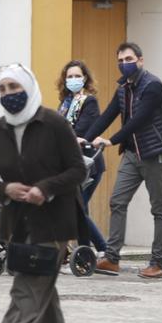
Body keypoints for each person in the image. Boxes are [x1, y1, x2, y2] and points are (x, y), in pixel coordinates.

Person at [0, 64, 87, 323]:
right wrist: (4, 189)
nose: (9, 94)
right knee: (43, 295)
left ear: (28, 87)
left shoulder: (53, 124)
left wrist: (46, 188)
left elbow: (78, 170)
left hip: (53, 225)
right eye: (3, 89)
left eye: (14, 87)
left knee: (27, 289)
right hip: (18, 225)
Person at [83, 42, 162, 279]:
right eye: (121, 60)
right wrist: (85, 138)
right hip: (133, 154)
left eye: (129, 59)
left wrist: (111, 140)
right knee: (117, 201)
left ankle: (157, 262)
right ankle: (112, 258)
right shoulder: (123, 88)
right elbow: (108, 115)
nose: (125, 64)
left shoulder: (154, 86)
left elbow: (139, 120)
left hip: (155, 154)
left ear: (140, 60)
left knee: (158, 207)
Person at [56, 60, 108, 255]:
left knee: (78, 209)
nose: (73, 79)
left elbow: (82, 130)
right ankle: (92, 252)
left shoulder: (89, 101)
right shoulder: (65, 104)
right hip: (70, 164)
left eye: (77, 76)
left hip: (88, 165)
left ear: (85, 78)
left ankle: (97, 250)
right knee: (79, 209)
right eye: (69, 76)